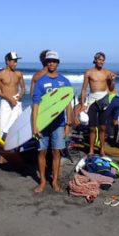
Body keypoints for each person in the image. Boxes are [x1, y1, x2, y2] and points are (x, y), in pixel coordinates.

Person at [32, 50, 72, 193]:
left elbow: (68, 104)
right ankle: (42, 181)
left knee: (56, 152)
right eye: (49, 61)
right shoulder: (40, 82)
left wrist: (68, 125)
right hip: (43, 124)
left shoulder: (64, 81)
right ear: (46, 62)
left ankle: (54, 181)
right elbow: (35, 104)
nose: (51, 63)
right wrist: (35, 125)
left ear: (58, 63)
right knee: (41, 152)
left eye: (54, 61)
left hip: (59, 123)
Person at [80, 52, 116, 156]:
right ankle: (91, 150)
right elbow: (83, 89)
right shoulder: (88, 73)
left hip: (104, 100)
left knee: (103, 127)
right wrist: (83, 104)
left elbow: (111, 88)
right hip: (92, 101)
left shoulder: (108, 73)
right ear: (95, 60)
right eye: (99, 59)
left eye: (103, 60)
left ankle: (102, 150)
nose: (101, 61)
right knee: (91, 127)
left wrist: (113, 81)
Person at [0, 52, 26, 144]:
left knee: (17, 125)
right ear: (7, 61)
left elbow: (23, 88)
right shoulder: (0, 74)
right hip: (6, 102)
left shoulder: (19, 74)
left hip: (16, 101)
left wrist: (20, 96)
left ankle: (16, 146)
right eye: (13, 61)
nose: (15, 63)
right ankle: (2, 148)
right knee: (3, 126)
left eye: (16, 61)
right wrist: (9, 98)